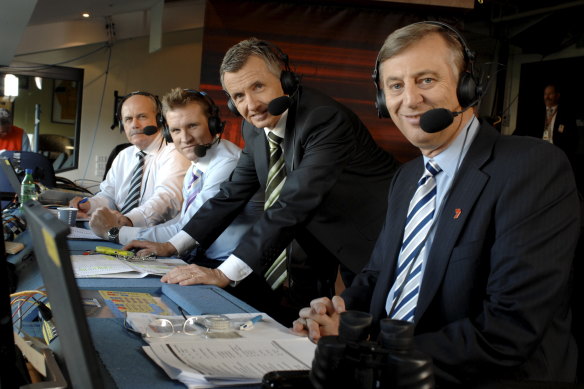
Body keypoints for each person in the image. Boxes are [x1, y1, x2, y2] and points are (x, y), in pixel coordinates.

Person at [293, 22, 580, 386]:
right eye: (395, 86)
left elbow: (510, 329)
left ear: (467, 86)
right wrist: (340, 310)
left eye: (426, 80)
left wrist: (369, 351)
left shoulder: (531, 167)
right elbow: (380, 273)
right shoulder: (407, 177)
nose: (409, 100)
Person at [125, 38, 399, 323]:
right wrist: (173, 246)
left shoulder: (324, 119)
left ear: (286, 80)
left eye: (258, 87)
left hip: (373, 237)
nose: (251, 105)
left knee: (376, 326)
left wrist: (223, 273)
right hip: (316, 239)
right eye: (239, 96)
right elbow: (232, 193)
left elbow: (292, 203)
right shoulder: (254, 128)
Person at [90, 87, 262, 263]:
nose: (185, 138)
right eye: (176, 130)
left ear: (213, 124)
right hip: (201, 259)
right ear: (168, 133)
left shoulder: (227, 163)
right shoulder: (197, 165)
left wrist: (114, 232)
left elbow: (186, 228)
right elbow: (180, 220)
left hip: (228, 267)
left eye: (192, 126)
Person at [69, 91, 190, 242]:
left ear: (159, 119)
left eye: (142, 116)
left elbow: (166, 199)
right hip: (118, 234)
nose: (134, 124)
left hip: (153, 240)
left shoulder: (174, 153)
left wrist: (127, 220)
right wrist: (89, 205)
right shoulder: (124, 155)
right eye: (128, 119)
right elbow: (108, 195)